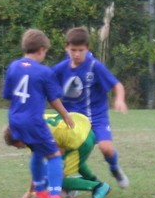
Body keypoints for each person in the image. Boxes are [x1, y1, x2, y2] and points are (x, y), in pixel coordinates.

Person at [2, 28, 79, 198]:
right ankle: (55, 196)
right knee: (54, 155)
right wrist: (65, 115)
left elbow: (8, 95)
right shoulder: (44, 72)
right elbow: (53, 99)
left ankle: (41, 193)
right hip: (34, 120)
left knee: (37, 151)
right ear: (42, 49)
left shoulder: (13, 67)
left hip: (15, 119)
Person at [51, 26, 129, 187]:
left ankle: (114, 168)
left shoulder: (95, 67)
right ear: (66, 48)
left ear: (87, 48)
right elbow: (46, 85)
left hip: (96, 117)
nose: (77, 54)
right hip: (72, 120)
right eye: (73, 50)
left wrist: (119, 99)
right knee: (66, 152)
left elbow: (117, 85)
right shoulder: (60, 69)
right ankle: (70, 184)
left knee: (106, 149)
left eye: (80, 50)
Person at [5, 111, 111, 198]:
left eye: (17, 145)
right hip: (81, 127)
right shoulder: (31, 128)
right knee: (72, 163)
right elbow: (38, 168)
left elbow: (55, 156)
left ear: (20, 137)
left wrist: (40, 188)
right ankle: (92, 179)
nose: (18, 148)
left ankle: (98, 186)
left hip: (81, 140)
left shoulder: (38, 137)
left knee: (57, 179)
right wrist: (31, 191)